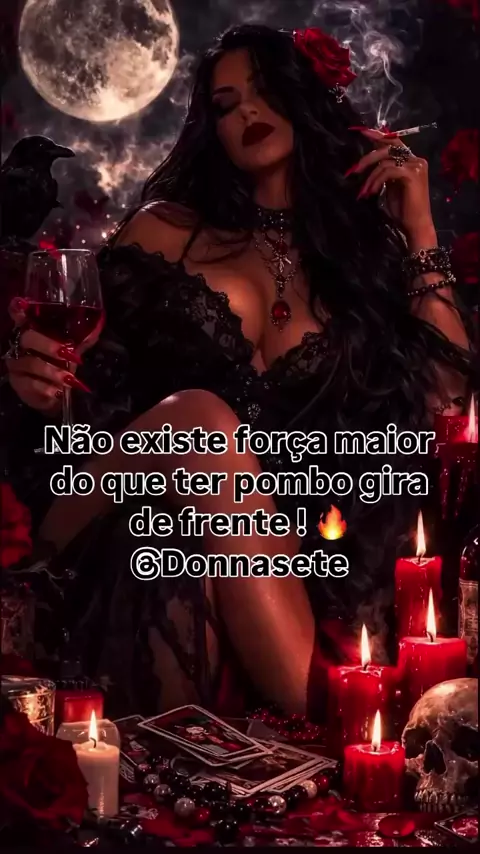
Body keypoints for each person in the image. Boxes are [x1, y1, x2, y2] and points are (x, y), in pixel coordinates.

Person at [0, 25, 473, 718]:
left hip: (287, 566)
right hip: (119, 501)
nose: (247, 111)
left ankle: (307, 697)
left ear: (306, 100)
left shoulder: (362, 258)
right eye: (225, 105)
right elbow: (85, 395)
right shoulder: (163, 231)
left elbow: (448, 403)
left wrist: (420, 233)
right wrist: (33, 383)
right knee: (198, 426)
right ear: (211, 128)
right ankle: (318, 708)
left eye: (265, 91)